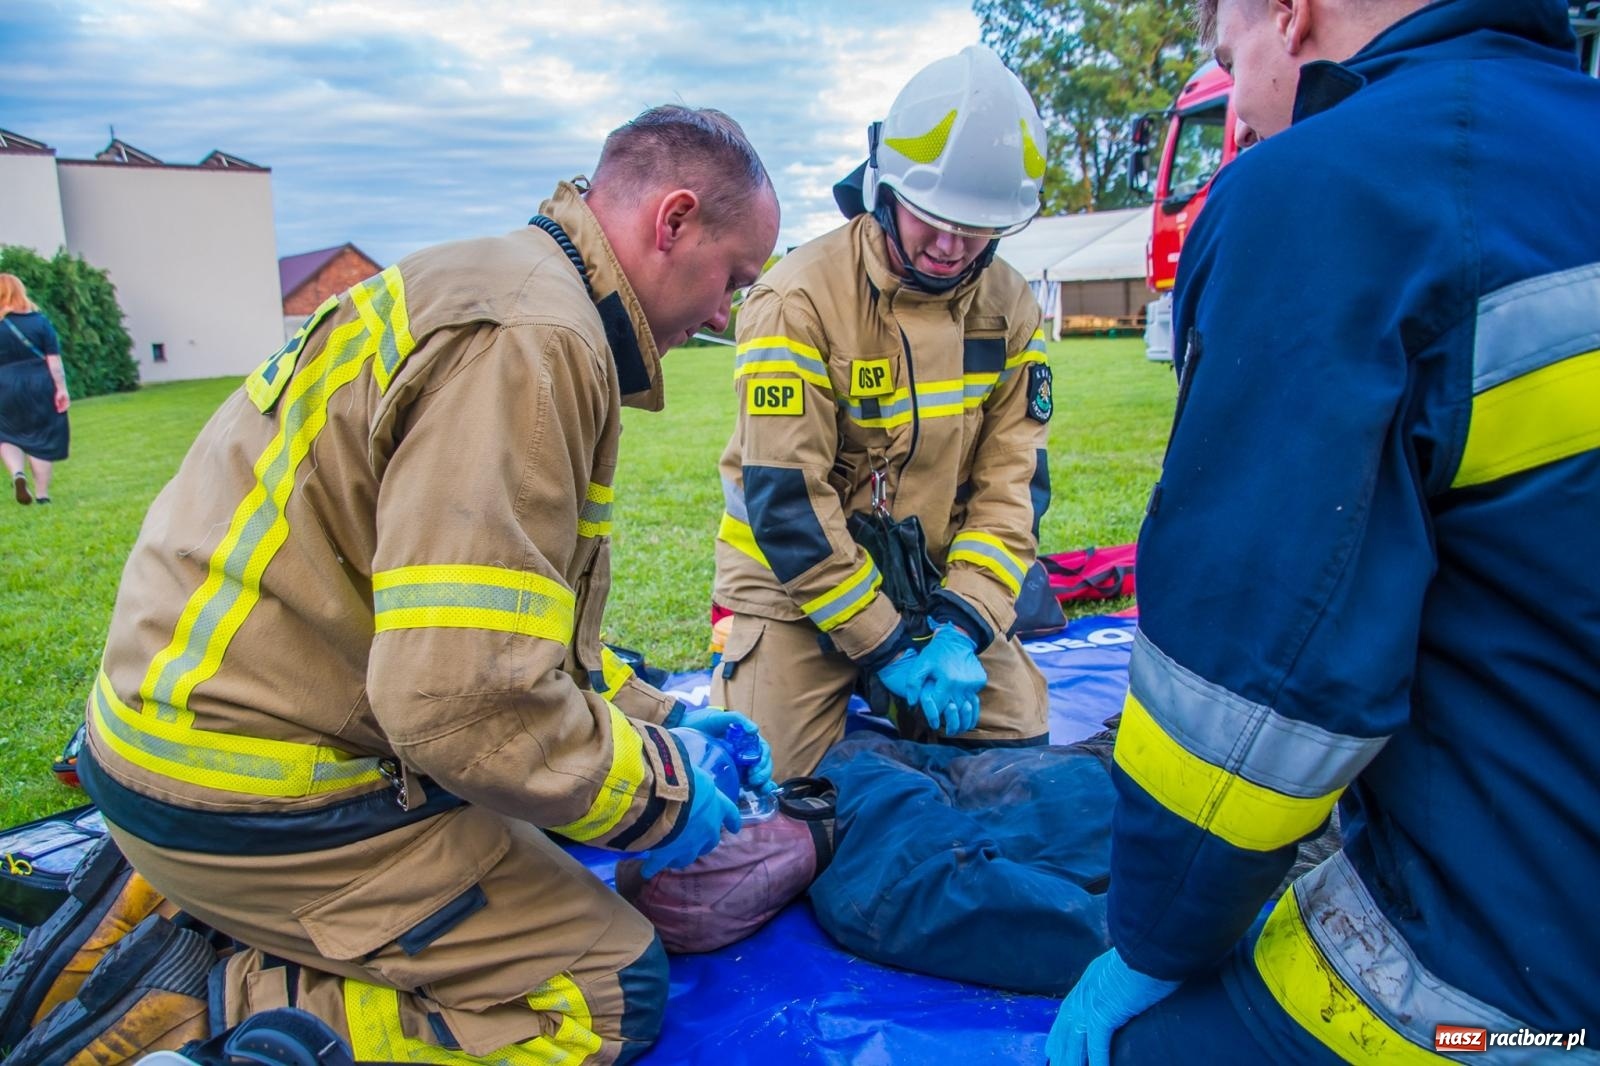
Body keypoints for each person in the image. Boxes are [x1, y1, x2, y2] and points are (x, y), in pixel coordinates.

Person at [60, 105, 781, 1065]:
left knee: (545, 833)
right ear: (673, 220)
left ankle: (192, 909)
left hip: (179, 742)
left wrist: (657, 717)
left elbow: (492, 618)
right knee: (598, 990)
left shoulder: (498, 283)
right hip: (257, 792)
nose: (728, 312)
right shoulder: (534, 340)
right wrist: (664, 792)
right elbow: (467, 708)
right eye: (734, 276)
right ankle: (210, 1013)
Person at [1047, 1, 1600, 1063]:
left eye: (1225, 64)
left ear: (1288, 15)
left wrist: (1155, 940)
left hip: (1511, 980)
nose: (1239, 123)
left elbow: (1249, 692)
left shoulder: (1327, 195)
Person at [711, 44, 1055, 780]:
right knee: (772, 782)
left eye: (978, 228)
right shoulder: (795, 300)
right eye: (932, 216)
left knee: (1016, 750)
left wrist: (963, 628)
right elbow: (787, 506)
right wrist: (887, 648)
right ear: (880, 186)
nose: (950, 245)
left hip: (935, 588)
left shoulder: (1012, 307)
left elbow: (1013, 488)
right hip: (796, 589)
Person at [0, 273, 70, 505]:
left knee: (5, 433)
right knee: (42, 435)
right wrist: (60, 388)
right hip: (39, 381)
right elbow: (54, 361)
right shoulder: (39, 322)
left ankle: (17, 474)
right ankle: (42, 495)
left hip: (4, 384)